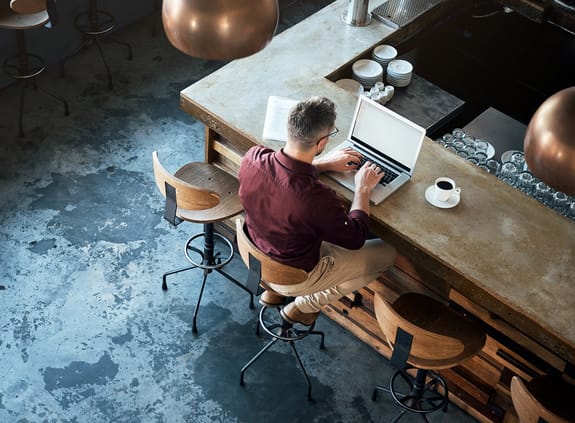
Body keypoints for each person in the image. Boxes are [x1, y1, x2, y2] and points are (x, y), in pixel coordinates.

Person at [238, 96, 397, 326]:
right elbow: (355, 237)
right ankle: (304, 305)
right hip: (297, 274)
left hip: (257, 252)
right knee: (388, 253)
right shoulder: (316, 199)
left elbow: (284, 180)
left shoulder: (253, 158)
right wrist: (362, 188)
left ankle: (274, 287)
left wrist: (323, 165)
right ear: (322, 143)